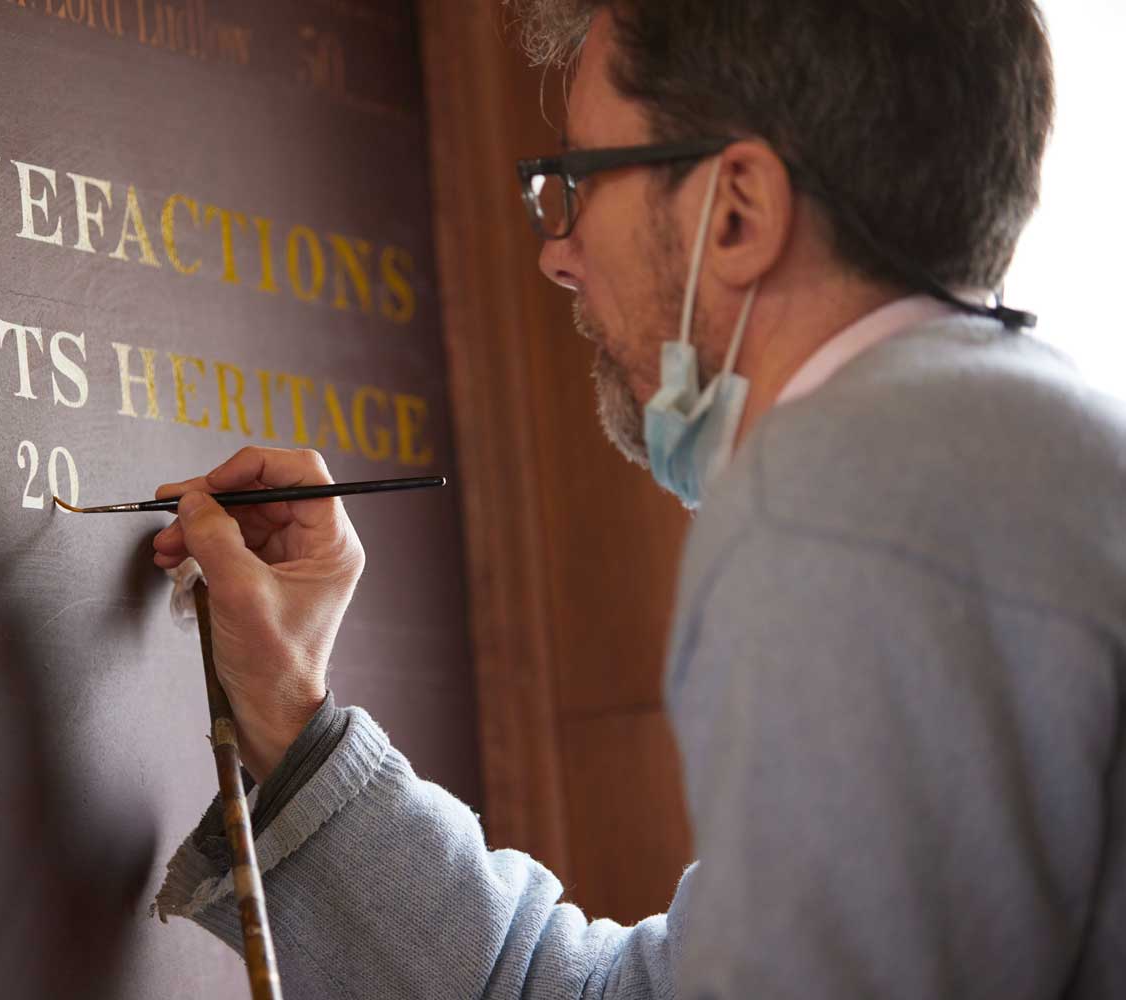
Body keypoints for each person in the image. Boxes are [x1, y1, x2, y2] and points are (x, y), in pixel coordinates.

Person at [151, 2, 1126, 996]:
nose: (556, 252)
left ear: (737, 211)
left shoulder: (835, 508)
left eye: (576, 180)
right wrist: (289, 713)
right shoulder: (1017, 450)